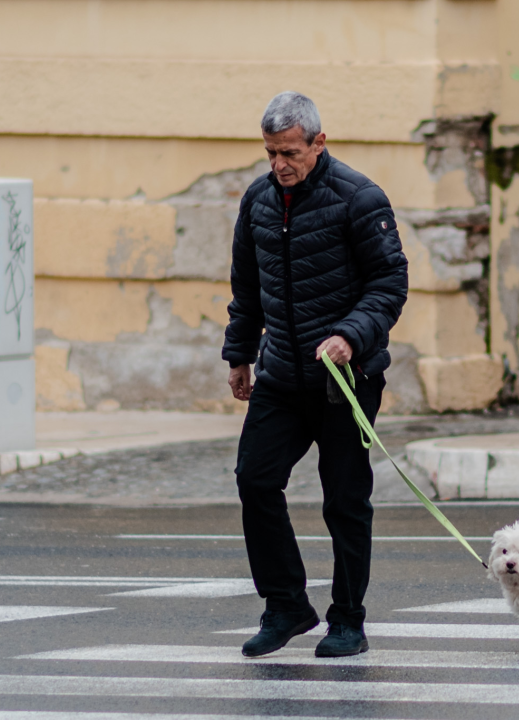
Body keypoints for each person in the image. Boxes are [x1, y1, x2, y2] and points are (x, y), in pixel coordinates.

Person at [222, 91, 409, 658]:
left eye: (291, 153)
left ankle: (348, 619)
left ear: (318, 142)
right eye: (271, 152)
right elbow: (247, 288)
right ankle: (286, 606)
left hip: (345, 380)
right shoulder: (258, 200)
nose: (280, 164)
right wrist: (239, 354)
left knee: (344, 501)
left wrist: (350, 335)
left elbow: (389, 284)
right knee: (255, 480)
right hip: (281, 373)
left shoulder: (359, 197)